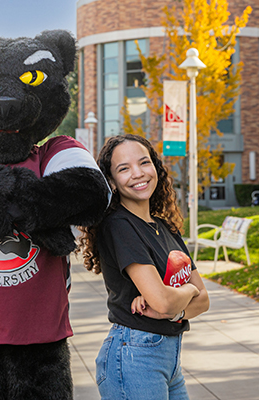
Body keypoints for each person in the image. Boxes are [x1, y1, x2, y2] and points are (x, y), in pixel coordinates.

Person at [79, 134, 209, 399]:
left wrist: (174, 309)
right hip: (135, 357)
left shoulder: (165, 228)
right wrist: (188, 292)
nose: (138, 174)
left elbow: (204, 300)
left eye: (144, 163)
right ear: (112, 182)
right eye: (123, 169)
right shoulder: (120, 225)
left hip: (169, 359)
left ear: (156, 168)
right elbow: (162, 300)